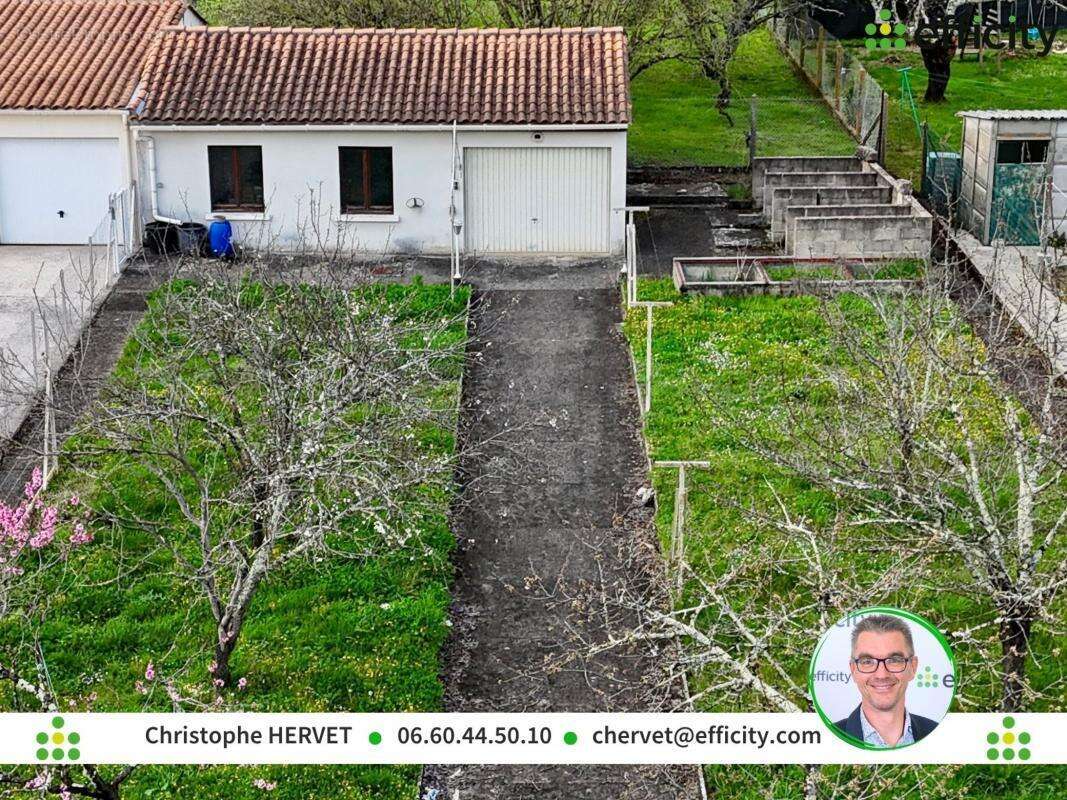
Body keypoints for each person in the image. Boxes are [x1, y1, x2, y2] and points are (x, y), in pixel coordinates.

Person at [833, 614, 939, 747]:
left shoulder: (938, 734)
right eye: (867, 661)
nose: (881, 675)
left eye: (894, 660)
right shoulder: (828, 739)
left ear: (913, 667)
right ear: (853, 670)